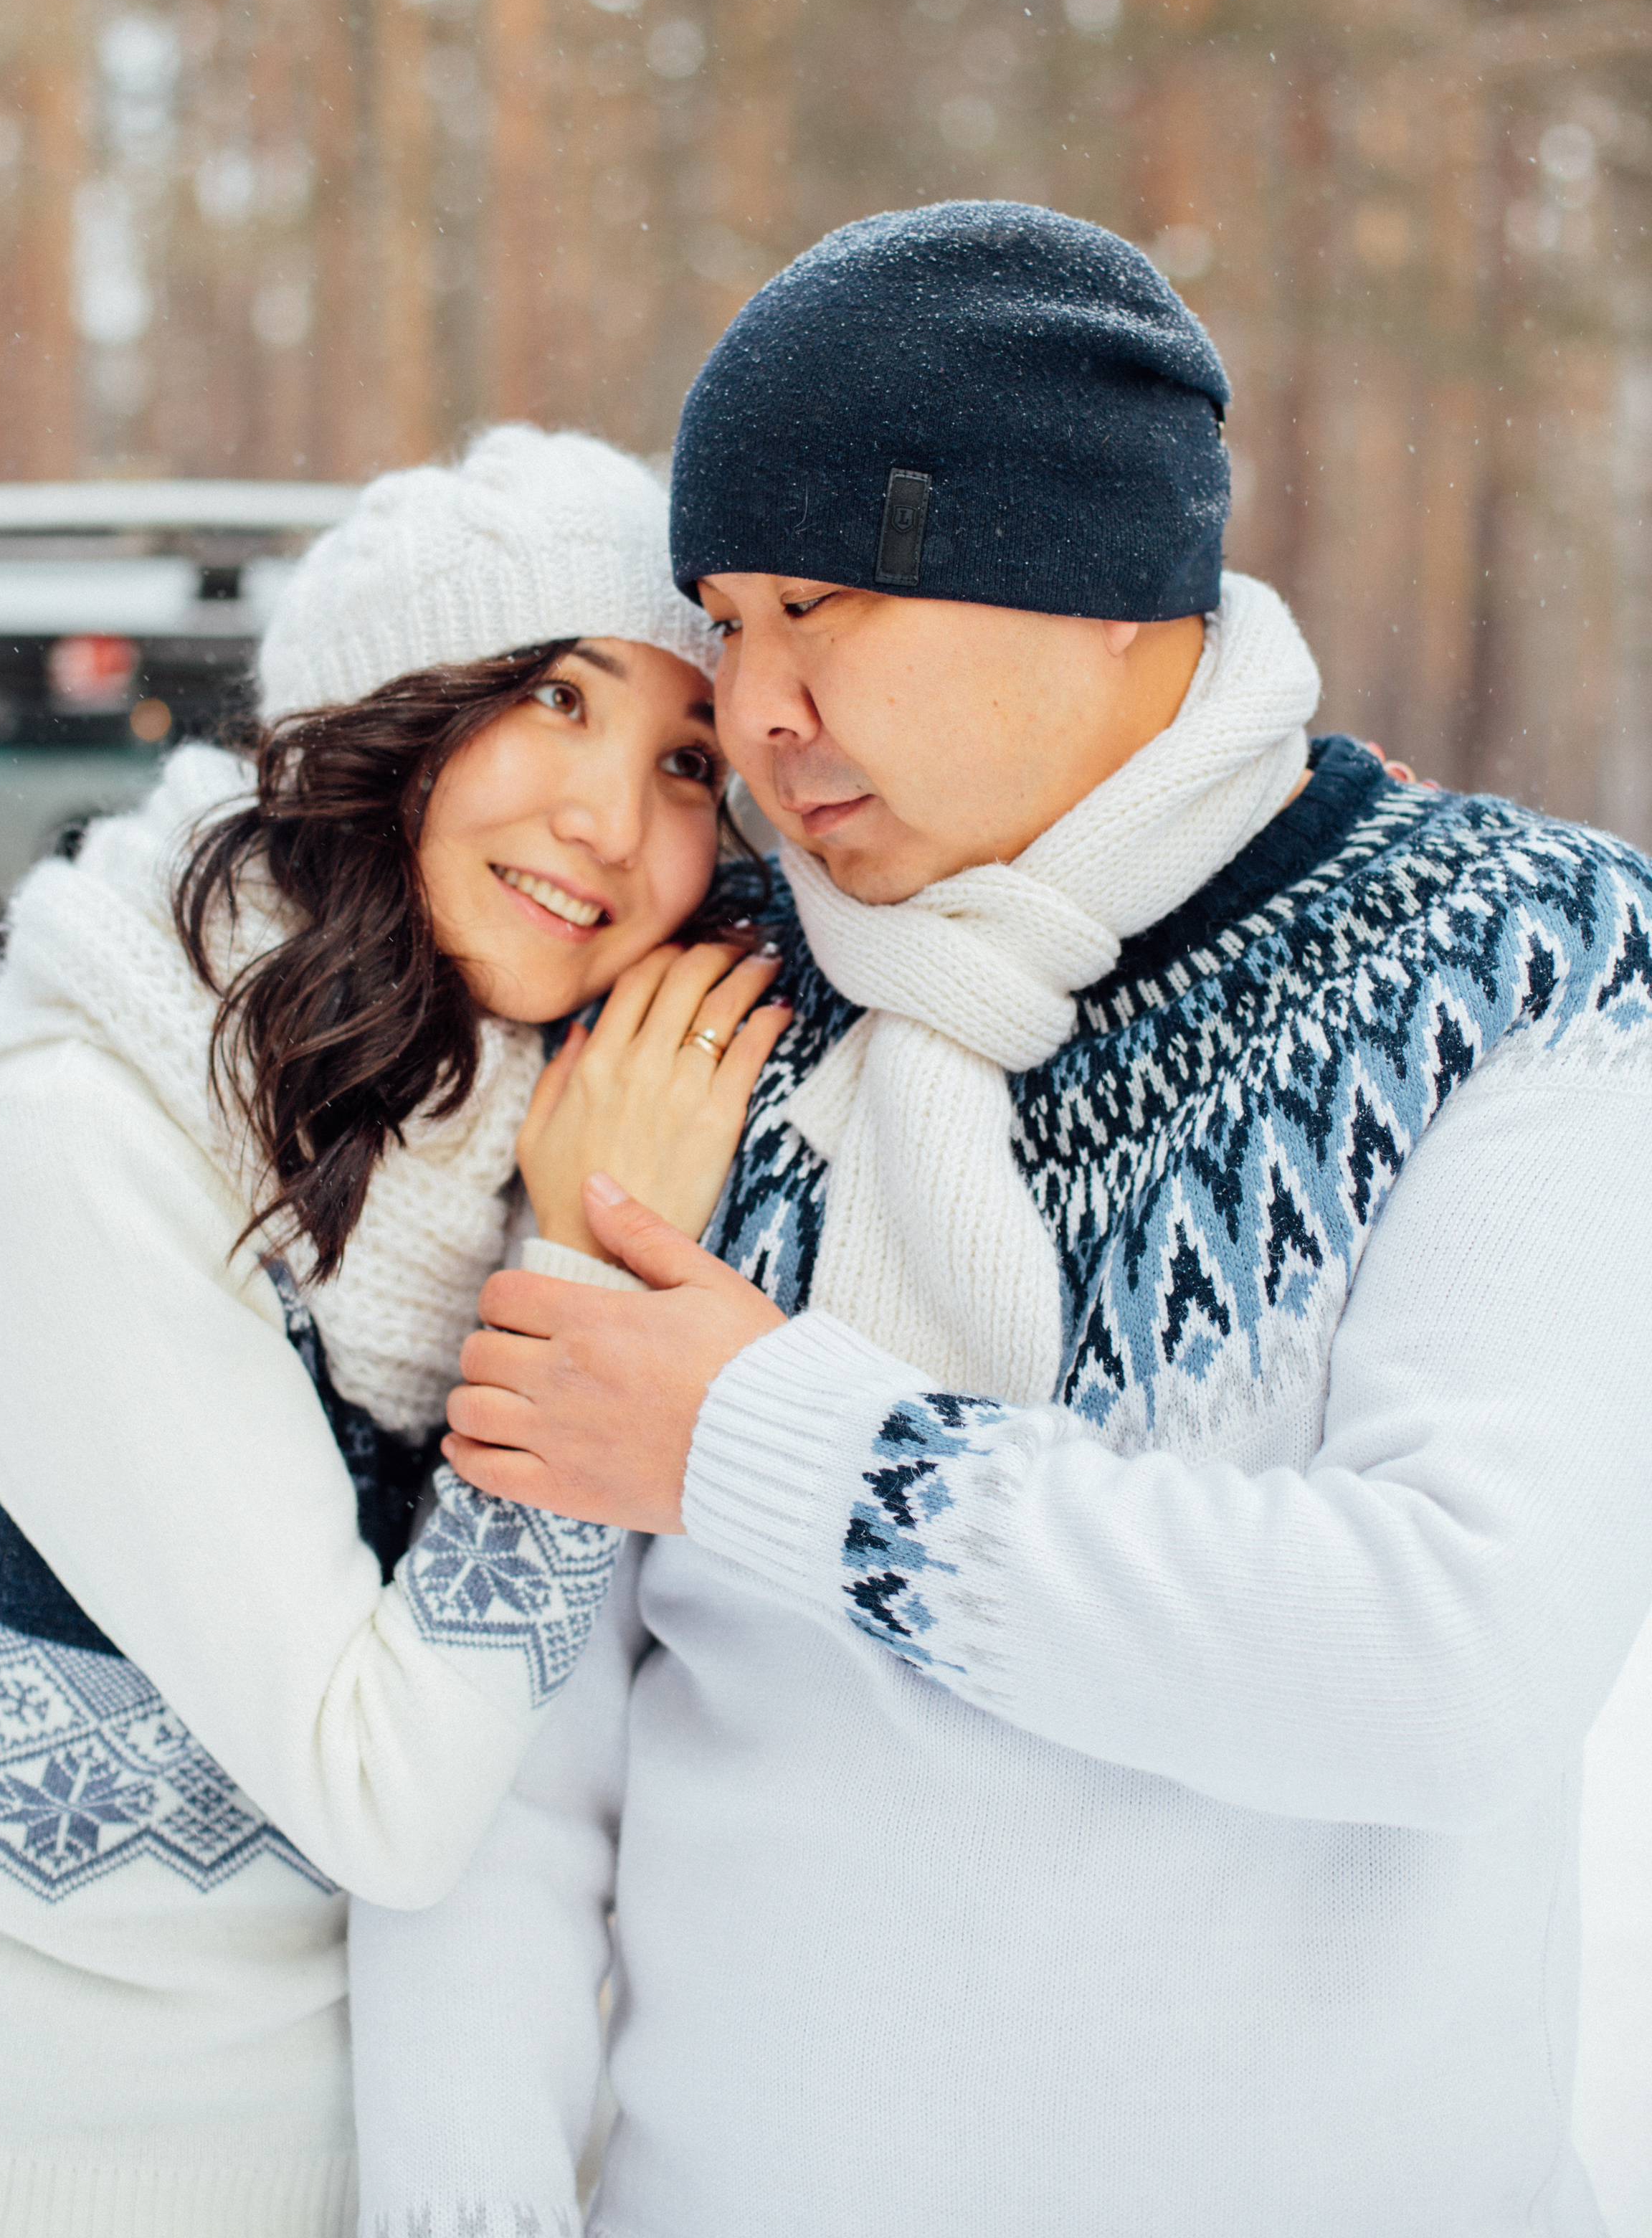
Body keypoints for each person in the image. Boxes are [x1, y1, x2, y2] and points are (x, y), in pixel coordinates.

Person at [351, 205, 1652, 2238]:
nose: (757, 709)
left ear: (1102, 587)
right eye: (725, 619)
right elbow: (513, 1772)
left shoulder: (1501, 966)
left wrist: (775, 1447)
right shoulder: (707, 1005)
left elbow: (1442, 1666)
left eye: (826, 604)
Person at [0, 426, 789, 2238]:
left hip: (448, 2173)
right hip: (77, 2190)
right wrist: (587, 1293)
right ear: (386, 724)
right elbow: (386, 1795)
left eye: (686, 762)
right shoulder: (92, 1143)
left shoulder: (548, 1116)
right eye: (554, 701)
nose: (613, 818)